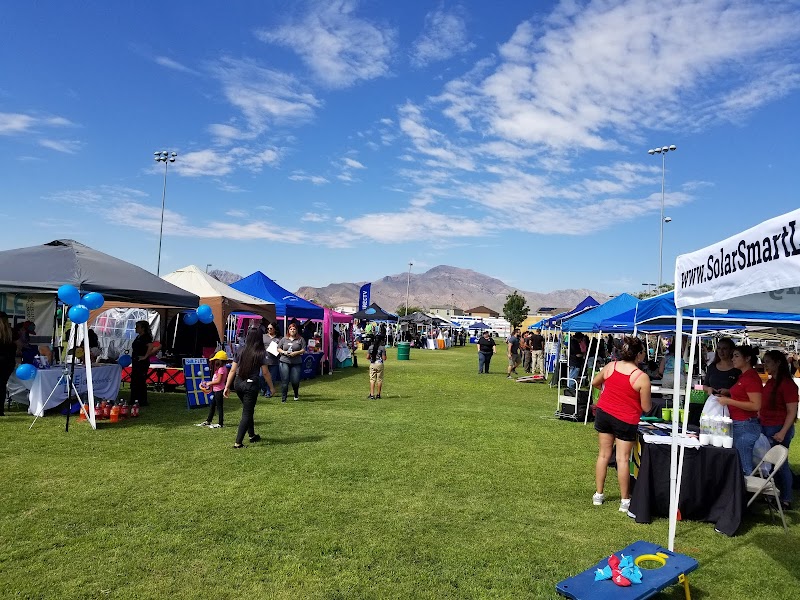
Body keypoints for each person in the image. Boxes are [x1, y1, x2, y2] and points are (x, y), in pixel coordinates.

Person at [591, 336, 652, 513]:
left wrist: (610, 392)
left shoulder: (611, 366)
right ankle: (625, 500)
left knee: (603, 455)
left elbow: (595, 382)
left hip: (604, 413)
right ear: (639, 355)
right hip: (625, 419)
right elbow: (646, 407)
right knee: (623, 459)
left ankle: (598, 494)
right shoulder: (641, 377)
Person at [759, 350, 797, 509]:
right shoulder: (771, 381)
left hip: (779, 428)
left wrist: (782, 432)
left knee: (781, 465)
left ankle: (786, 498)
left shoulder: (788, 385)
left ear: (778, 363)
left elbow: (792, 411)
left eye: (768, 362)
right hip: (767, 426)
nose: (764, 365)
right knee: (771, 464)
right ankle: (775, 493)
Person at [223, 329, 274, 449]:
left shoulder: (240, 350)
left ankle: (252, 435)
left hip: (238, 384)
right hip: (250, 386)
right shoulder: (260, 352)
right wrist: (271, 387)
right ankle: (238, 443)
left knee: (248, 409)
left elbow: (232, 370)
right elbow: (265, 373)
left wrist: (227, 386)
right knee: (247, 412)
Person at [717, 345, 762, 475]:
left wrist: (729, 401)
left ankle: (745, 493)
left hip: (745, 425)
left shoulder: (751, 378)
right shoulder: (744, 376)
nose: (733, 359)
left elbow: (755, 405)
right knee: (739, 462)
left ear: (747, 358)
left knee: (744, 466)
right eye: (733, 356)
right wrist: (729, 393)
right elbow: (743, 395)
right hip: (739, 423)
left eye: (736, 356)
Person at [198, 350, 229, 428]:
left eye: (215, 360)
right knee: (212, 406)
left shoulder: (221, 369)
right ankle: (208, 421)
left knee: (219, 407)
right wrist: (209, 383)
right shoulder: (220, 368)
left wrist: (209, 383)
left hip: (219, 390)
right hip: (216, 390)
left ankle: (220, 423)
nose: (214, 362)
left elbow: (218, 381)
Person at [278, 322, 306, 402]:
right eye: (291, 329)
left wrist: (296, 353)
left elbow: (303, 349)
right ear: (288, 330)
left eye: (294, 329)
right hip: (284, 361)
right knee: (285, 380)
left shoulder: (300, 339)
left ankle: (296, 394)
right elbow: (278, 348)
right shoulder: (284, 339)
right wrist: (284, 352)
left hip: (296, 362)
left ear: (296, 330)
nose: (292, 330)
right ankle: (284, 398)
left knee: (295, 380)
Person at [130, 320, 157, 406]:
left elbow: (151, 347)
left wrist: (145, 356)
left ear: (143, 328)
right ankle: (134, 398)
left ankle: (142, 400)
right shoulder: (138, 337)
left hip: (142, 362)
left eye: (137, 327)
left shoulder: (146, 337)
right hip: (136, 360)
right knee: (134, 380)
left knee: (140, 380)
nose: (136, 328)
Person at [0, 312, 16, 416]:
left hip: (3, 361)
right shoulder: (10, 332)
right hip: (8, 363)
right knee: (2, 386)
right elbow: (16, 348)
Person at [262, 322, 280, 396]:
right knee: (261, 376)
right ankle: (263, 389)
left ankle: (268, 391)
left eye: (271, 328)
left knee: (271, 377)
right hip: (264, 359)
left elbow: (281, 347)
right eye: (268, 328)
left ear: (275, 329)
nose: (269, 330)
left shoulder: (279, 338)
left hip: (274, 360)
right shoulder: (263, 336)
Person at [367, 334, 387, 399]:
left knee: (372, 379)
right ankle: (378, 395)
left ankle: (372, 394)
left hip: (373, 364)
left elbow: (367, 357)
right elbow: (384, 358)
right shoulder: (382, 348)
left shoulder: (370, 347)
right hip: (379, 364)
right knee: (379, 380)